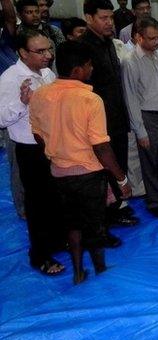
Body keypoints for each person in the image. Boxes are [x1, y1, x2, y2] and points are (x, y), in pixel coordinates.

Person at [30, 41, 132, 284]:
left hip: (59, 172)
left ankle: (77, 272)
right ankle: (100, 270)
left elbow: (36, 133)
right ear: (78, 70)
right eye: (89, 65)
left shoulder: (40, 95)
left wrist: (56, 149)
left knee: (72, 224)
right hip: (88, 174)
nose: (91, 69)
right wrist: (121, 179)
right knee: (95, 224)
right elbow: (101, 147)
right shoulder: (90, 100)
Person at [0, 29, 64, 275]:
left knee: (56, 198)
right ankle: (40, 255)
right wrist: (22, 102)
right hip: (29, 149)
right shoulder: (10, 78)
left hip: (53, 144)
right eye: (40, 51)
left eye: (49, 49)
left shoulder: (48, 73)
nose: (48, 55)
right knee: (37, 204)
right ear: (23, 53)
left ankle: (57, 241)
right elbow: (2, 119)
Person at [81, 0, 138, 237]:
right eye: (103, 18)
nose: (109, 23)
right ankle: (101, 224)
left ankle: (117, 210)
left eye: (111, 18)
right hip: (96, 123)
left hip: (116, 116)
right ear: (88, 18)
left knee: (119, 165)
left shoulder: (109, 44)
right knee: (103, 171)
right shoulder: (83, 48)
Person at [122, 17, 158, 218]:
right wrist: (140, 130)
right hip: (148, 118)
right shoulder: (130, 62)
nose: (157, 42)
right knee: (150, 161)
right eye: (152, 38)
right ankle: (154, 201)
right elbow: (131, 98)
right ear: (138, 37)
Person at [0, 0, 24, 220]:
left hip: (26, 102)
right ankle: (23, 208)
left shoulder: (6, 43)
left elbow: (9, 17)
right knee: (16, 159)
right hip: (7, 108)